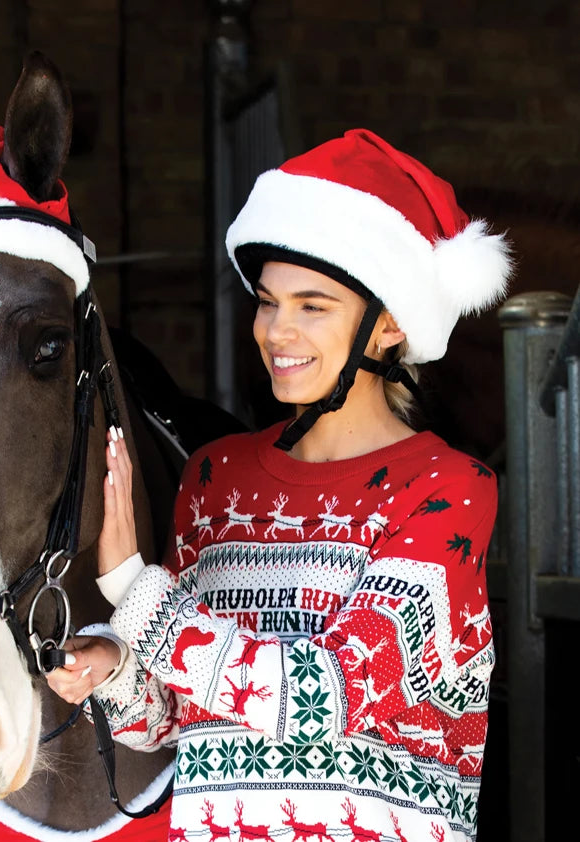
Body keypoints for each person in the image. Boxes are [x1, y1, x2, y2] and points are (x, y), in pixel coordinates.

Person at [47, 128, 512, 842]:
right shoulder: (216, 476)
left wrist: (133, 590)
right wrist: (112, 671)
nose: (276, 330)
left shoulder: (448, 488)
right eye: (268, 301)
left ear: (388, 326)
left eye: (312, 306)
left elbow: (320, 700)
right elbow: (177, 718)